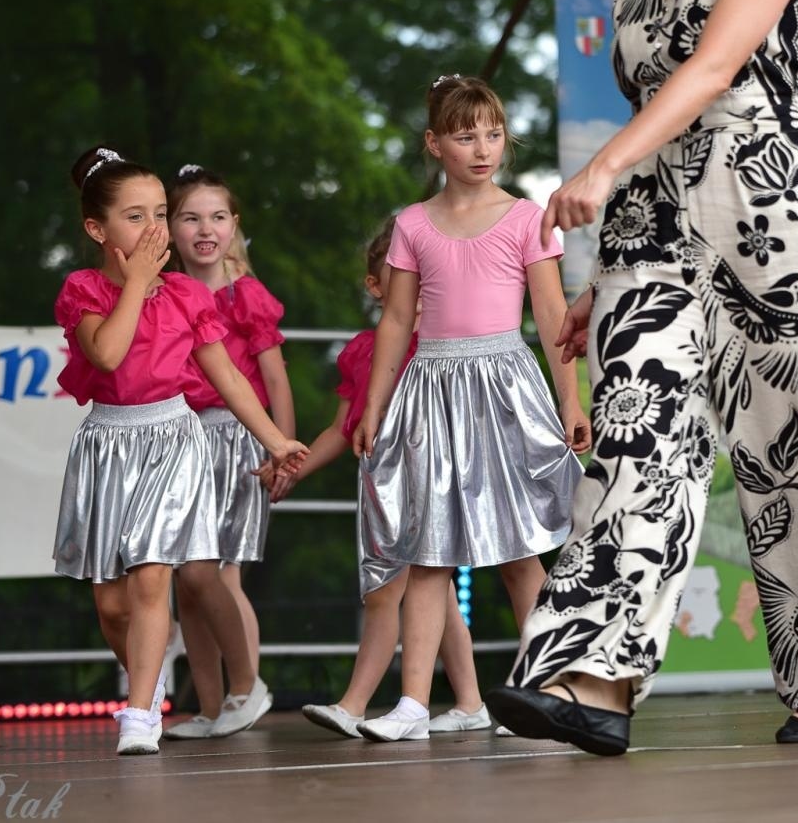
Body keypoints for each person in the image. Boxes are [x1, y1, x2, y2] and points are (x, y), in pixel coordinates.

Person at [485, 0, 798, 753]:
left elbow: (712, 67)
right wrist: (600, 283)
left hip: (767, 212)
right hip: (653, 226)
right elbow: (654, 111)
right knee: (633, 430)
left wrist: (599, 168)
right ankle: (593, 682)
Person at [350, 75, 590, 742]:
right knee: (428, 555)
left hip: (506, 387)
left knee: (520, 553)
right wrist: (375, 405)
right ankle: (412, 705)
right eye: (464, 136)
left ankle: (543, 689)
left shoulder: (524, 218)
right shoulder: (410, 225)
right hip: (431, 390)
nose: (482, 148)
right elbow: (397, 321)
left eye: (492, 132)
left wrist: (570, 398)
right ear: (435, 144)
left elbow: (549, 314)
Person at [51, 146, 306, 754]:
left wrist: (276, 439)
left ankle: (139, 713)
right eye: (135, 216)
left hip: (173, 438)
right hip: (110, 443)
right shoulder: (83, 289)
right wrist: (136, 282)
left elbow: (230, 378)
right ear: (97, 228)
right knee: (113, 606)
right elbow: (107, 354)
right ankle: (150, 674)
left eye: (161, 213)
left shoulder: (188, 297)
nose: (155, 229)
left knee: (151, 580)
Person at [280, 218, 490, 737]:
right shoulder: (361, 351)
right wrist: (293, 466)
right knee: (434, 599)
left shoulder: (444, 349)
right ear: (377, 286)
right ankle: (470, 701)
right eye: (402, 278)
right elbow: (340, 427)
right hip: (382, 486)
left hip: (430, 483)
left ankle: (355, 704)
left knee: (384, 594)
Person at [162, 165, 295, 738]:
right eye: (190, 217)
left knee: (222, 575)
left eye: (217, 217)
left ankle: (247, 690)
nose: (205, 228)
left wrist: (282, 451)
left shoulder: (245, 295)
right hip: (178, 439)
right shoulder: (162, 295)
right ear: (169, 228)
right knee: (185, 580)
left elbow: (276, 379)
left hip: (236, 437)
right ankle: (210, 708)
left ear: (234, 226)